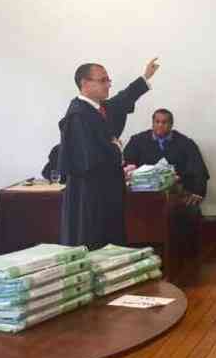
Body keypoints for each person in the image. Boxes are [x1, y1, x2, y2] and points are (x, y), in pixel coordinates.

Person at [58, 58, 160, 250]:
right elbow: (87, 159)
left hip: (105, 190)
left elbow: (123, 99)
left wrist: (145, 77)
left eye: (108, 80)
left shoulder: (98, 108)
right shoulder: (78, 115)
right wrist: (116, 149)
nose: (108, 84)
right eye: (103, 80)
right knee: (95, 241)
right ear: (85, 84)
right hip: (90, 195)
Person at [124, 108, 210, 211]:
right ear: (152, 123)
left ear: (171, 124)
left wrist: (198, 191)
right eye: (157, 122)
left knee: (189, 212)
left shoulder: (186, 143)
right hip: (144, 193)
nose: (160, 125)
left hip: (177, 192)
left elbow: (198, 169)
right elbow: (127, 164)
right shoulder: (137, 141)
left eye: (164, 122)